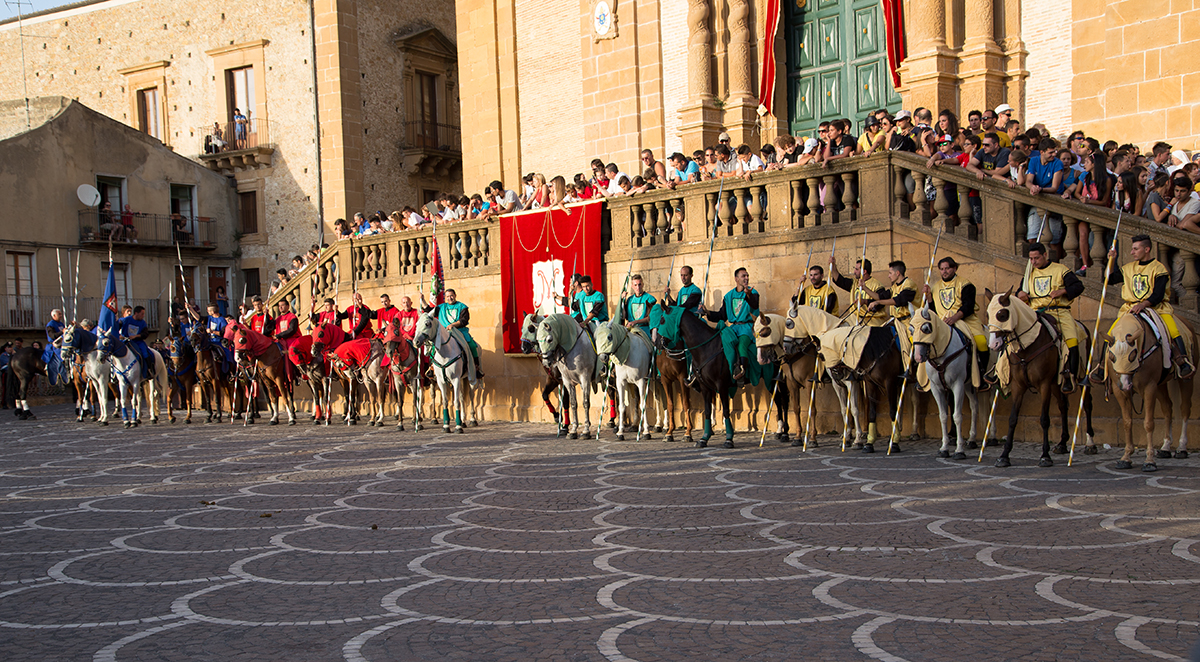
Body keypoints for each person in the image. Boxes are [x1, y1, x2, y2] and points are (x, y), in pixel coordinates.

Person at [1094, 234, 1194, 381]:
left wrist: (1143, 304)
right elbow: (1109, 279)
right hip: (1130, 309)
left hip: (1157, 308)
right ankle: (1102, 367)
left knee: (1172, 329)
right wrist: (1112, 259)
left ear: (1147, 249)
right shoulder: (1128, 268)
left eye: (1135, 249)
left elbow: (1158, 294)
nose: (1131, 252)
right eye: (1132, 249)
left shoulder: (1159, 268)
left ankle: (1182, 361)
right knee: (1112, 334)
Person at [1016, 243, 1086, 392]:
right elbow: (1019, 293)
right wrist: (1019, 295)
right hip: (1034, 313)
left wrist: (1062, 291)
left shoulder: (1061, 270)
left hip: (1058, 311)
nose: (1033, 262)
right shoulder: (1029, 273)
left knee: (1072, 341)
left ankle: (1071, 377)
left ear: (1045, 255)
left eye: (1036, 258)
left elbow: (1078, 287)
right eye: (1031, 259)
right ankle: (1002, 373)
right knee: (1012, 340)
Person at [922, 257, 990, 390]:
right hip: (943, 323)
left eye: (947, 268)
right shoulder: (935, 287)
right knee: (925, 342)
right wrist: (929, 297)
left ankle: (983, 375)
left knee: (981, 342)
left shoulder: (966, 284)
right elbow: (933, 311)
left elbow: (968, 306)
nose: (944, 272)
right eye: (941, 269)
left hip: (965, 320)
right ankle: (925, 380)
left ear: (954, 268)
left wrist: (955, 318)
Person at [700, 267, 759, 383]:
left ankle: (741, 371)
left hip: (747, 328)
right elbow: (722, 316)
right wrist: (707, 312)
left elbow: (755, 305)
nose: (746, 278)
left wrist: (748, 296)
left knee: (742, 345)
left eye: (747, 276)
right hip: (734, 328)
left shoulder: (753, 293)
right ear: (736, 279)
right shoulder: (728, 296)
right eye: (743, 276)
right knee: (720, 343)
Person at [868, 261, 918, 376]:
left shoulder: (909, 284)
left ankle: (915, 370)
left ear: (898, 273)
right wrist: (864, 287)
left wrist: (878, 302)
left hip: (909, 321)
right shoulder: (894, 286)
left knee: (914, 343)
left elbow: (899, 301)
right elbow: (880, 296)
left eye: (890, 273)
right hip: (896, 321)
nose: (888, 276)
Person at [421, 289, 483, 379]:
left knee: (472, 345)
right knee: (432, 346)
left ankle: (476, 368)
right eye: (447, 296)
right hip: (444, 332)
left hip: (460, 331)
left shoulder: (462, 307)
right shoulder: (441, 307)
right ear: (445, 298)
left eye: (451, 295)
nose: (450, 298)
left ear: (455, 295)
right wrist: (423, 300)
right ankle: (432, 367)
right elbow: (429, 311)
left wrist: (453, 325)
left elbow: (464, 320)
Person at [830, 256, 888, 327]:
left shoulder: (877, 285)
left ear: (864, 271)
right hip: (854, 319)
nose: (854, 272)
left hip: (871, 320)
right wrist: (833, 265)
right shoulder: (854, 282)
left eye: (857, 269)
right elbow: (839, 280)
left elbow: (881, 303)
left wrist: (865, 301)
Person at [118, 306, 155, 379]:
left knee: (145, 353)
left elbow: (145, 334)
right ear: (136, 313)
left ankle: (148, 370)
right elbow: (116, 328)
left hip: (138, 341)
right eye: (142, 314)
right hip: (125, 341)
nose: (143, 316)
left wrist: (136, 336)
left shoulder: (143, 323)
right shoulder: (126, 320)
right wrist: (119, 335)